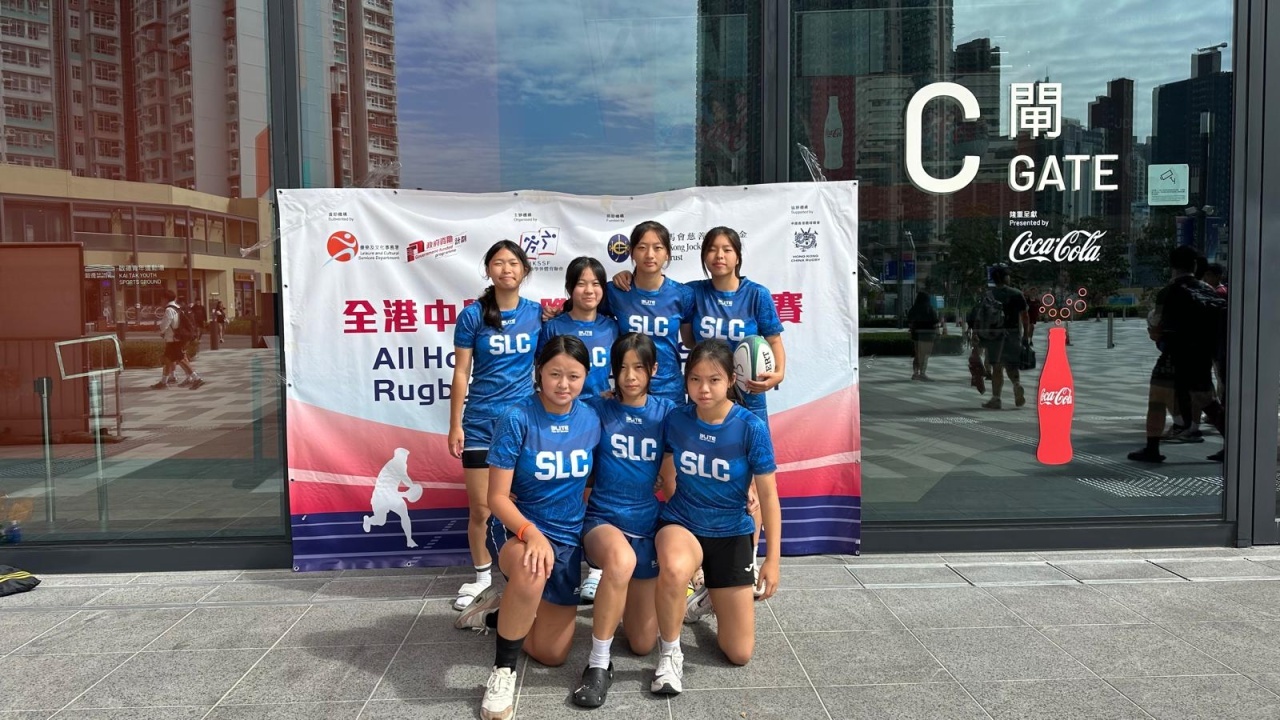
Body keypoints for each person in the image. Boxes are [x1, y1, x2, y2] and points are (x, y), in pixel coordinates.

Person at [455, 336, 601, 720]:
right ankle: (502, 672)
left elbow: (594, 478)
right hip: (518, 529)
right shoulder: (516, 417)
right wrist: (531, 533)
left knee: (552, 655)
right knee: (531, 567)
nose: (563, 384)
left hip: (566, 538)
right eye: (555, 374)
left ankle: (494, 613)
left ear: (586, 376)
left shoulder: (590, 419)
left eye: (573, 376)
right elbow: (496, 498)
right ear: (539, 371)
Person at [649, 339, 782, 696]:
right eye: (695, 379)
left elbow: (769, 496)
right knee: (674, 568)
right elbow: (662, 461)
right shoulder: (676, 419)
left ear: (731, 381)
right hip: (683, 523)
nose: (703, 389)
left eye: (714, 380)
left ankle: (707, 597)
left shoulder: (750, 427)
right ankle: (670, 655)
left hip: (731, 532)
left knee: (739, 653)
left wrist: (772, 559)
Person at [570, 333, 676, 707]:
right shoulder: (598, 409)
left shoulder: (667, 413)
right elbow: (555, 422)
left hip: (645, 525)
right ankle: (598, 663)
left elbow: (703, 439)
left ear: (654, 370)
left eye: (638, 368)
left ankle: (617, 597)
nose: (630, 376)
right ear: (612, 371)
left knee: (643, 643)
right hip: (603, 519)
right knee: (620, 560)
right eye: (622, 368)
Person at [449, 240, 541, 612]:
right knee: (481, 509)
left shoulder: (537, 314)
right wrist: (455, 425)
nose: (507, 269)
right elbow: (461, 372)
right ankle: (482, 579)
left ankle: (529, 573)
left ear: (524, 270)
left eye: (513, 263)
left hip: (522, 424)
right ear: (488, 270)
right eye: (499, 263)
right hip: (480, 423)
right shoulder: (472, 316)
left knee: (525, 505)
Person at [1129, 246, 1225, 463]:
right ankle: (1235, 443)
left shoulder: (1169, 291)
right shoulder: (1207, 290)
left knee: (1157, 398)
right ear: (1195, 265)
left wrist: (1155, 333)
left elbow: (1157, 327)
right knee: (1207, 401)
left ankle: (1152, 448)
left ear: (1172, 266)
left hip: (1174, 353)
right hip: (1202, 354)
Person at [682, 226, 786, 422]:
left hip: (748, 391)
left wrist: (779, 373)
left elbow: (774, 340)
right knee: (702, 440)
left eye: (727, 250)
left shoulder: (757, 294)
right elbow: (689, 341)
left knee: (751, 440)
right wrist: (627, 276)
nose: (719, 255)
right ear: (704, 256)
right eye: (712, 249)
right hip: (705, 392)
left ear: (738, 257)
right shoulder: (692, 292)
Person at [604, 221, 695, 404]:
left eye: (658, 248)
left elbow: (690, 342)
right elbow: (584, 315)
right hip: (629, 388)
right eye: (642, 247)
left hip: (669, 390)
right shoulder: (615, 291)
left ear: (667, 253)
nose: (650, 255)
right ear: (631, 252)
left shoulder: (683, 294)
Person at [978, 266, 1030, 410]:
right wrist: (1026, 335)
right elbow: (1025, 316)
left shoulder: (989, 295)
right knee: (1011, 364)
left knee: (997, 367)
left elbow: (981, 317)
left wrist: (979, 337)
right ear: (1005, 277)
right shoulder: (1016, 293)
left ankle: (996, 399)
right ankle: (1017, 385)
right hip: (1013, 334)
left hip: (994, 336)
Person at [151, 288, 204, 390]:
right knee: (168, 360)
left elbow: (165, 325)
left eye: (161, 299)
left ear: (165, 299)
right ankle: (163, 382)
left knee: (181, 359)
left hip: (173, 340)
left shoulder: (169, 310)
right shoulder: (177, 307)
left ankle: (197, 379)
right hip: (176, 338)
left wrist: (159, 329)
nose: (161, 301)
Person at [906, 291, 939, 381]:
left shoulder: (914, 309)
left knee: (917, 354)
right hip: (928, 334)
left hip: (916, 334)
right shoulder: (930, 309)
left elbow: (910, 322)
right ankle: (922, 373)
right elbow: (935, 322)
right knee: (925, 355)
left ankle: (915, 373)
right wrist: (938, 333)